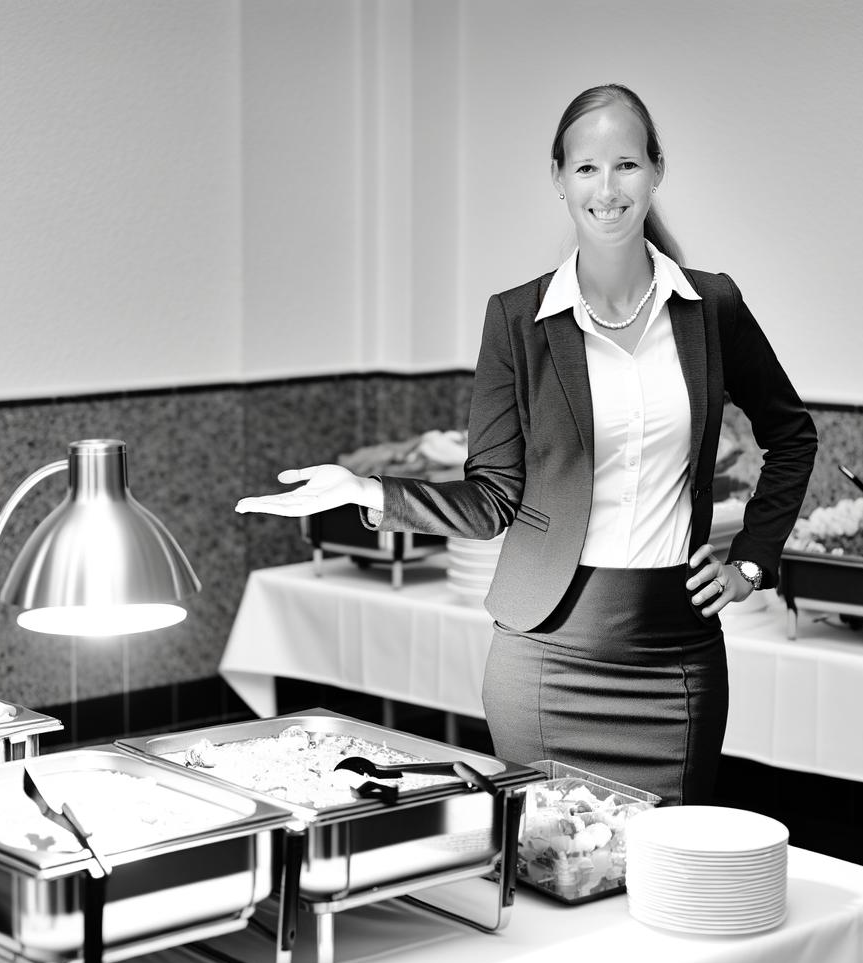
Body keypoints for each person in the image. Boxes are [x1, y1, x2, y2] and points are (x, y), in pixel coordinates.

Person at [236, 84, 817, 807]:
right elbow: (491, 498)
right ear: (559, 179)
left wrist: (752, 564)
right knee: (548, 871)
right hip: (545, 659)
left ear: (657, 171)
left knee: (665, 879)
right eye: (585, 169)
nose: (607, 189)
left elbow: (792, 434)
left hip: (677, 661)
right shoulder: (516, 319)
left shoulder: (712, 307)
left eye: (626, 165)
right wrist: (371, 493)